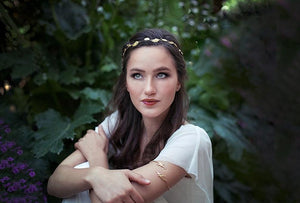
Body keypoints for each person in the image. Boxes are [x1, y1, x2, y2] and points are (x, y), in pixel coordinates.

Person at [47, 28, 213, 203]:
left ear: (179, 81)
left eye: (162, 75)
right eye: (137, 75)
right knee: (84, 171)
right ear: (126, 82)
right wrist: (94, 174)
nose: (149, 89)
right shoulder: (119, 122)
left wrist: (97, 162)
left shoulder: (192, 139)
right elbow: (54, 183)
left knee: (88, 172)